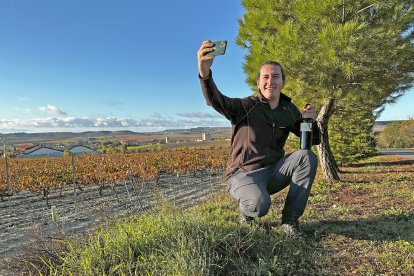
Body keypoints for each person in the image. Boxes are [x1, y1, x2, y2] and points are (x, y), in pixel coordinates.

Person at [197, 40, 321, 240]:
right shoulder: (246, 106)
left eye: (275, 76)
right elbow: (216, 100)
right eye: (265, 77)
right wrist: (205, 73)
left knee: (306, 157)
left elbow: (312, 141)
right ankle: (246, 212)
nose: (270, 81)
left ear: (282, 82)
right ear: (258, 82)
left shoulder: (289, 110)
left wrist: (310, 122)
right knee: (258, 206)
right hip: (243, 175)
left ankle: (290, 221)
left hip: (273, 173)